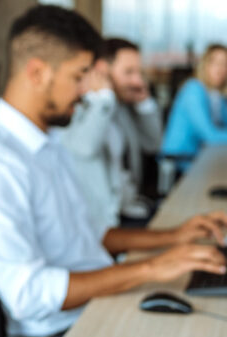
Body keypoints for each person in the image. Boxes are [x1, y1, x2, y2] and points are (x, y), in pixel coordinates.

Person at [0, 5, 227, 337]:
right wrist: (152, 268)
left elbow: (91, 235)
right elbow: (29, 295)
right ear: (37, 72)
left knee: (221, 329)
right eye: (79, 76)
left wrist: (173, 238)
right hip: (63, 336)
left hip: (102, 302)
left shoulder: (48, 141)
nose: (88, 91)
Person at [58, 37, 162, 231]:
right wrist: (103, 98)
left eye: (139, 72)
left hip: (130, 210)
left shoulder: (121, 107)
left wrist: (144, 104)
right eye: (129, 72)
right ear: (102, 70)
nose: (138, 81)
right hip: (101, 225)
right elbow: (84, 148)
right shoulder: (81, 106)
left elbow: (153, 144)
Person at [161, 43, 227, 164]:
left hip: (201, 155)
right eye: (216, 63)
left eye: (226, 64)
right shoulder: (193, 89)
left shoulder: (216, 95)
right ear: (205, 65)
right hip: (180, 160)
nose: (221, 69)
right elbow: (210, 136)